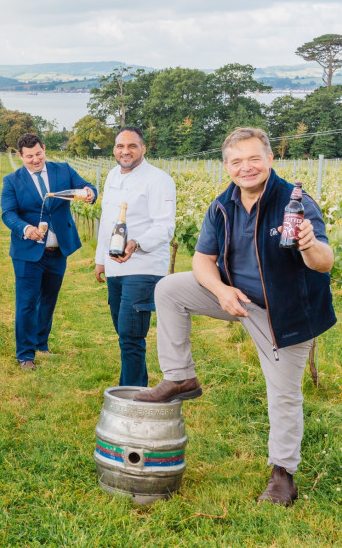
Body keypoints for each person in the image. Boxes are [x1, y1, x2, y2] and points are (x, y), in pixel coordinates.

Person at [135, 127, 336, 507]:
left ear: (270, 159)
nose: (246, 168)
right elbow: (201, 260)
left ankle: (283, 473)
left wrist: (310, 245)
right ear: (226, 165)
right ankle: (181, 378)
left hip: (285, 312)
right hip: (237, 297)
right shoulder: (222, 204)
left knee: (283, 392)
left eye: (254, 158)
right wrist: (222, 291)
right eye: (237, 161)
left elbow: (324, 263)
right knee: (169, 289)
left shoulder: (295, 203)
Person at [1, 133, 96, 370]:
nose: (35, 159)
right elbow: (8, 214)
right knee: (26, 303)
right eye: (29, 156)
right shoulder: (11, 181)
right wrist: (26, 228)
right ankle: (25, 354)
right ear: (21, 156)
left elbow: (88, 186)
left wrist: (90, 192)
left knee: (48, 301)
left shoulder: (62, 170)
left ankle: (41, 346)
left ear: (44, 149)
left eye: (39, 153)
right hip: (28, 252)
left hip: (58, 250)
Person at [94, 127, 176, 386]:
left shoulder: (158, 179)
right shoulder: (111, 176)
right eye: (120, 146)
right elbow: (107, 221)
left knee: (131, 334)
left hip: (144, 265)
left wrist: (137, 244)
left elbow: (165, 227)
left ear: (143, 148)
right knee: (124, 332)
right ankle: (139, 388)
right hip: (115, 266)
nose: (125, 151)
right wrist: (100, 259)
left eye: (132, 146)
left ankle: (128, 397)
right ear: (114, 149)